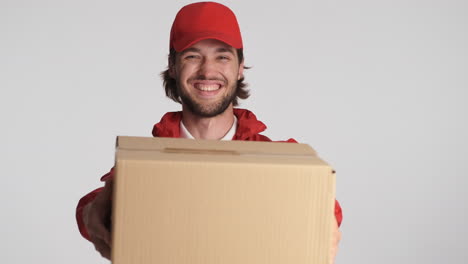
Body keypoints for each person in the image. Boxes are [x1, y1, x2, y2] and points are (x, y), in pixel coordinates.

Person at [76, 1, 343, 262]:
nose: (208, 70)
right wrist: (94, 209)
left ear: (239, 68)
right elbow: (97, 204)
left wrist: (319, 213)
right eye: (192, 56)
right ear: (173, 66)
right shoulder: (146, 162)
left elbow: (323, 200)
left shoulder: (276, 159)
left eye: (222, 56)